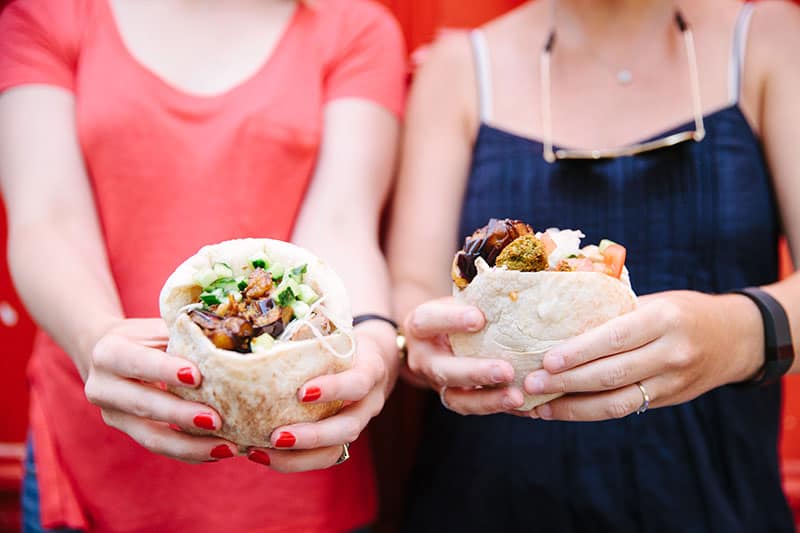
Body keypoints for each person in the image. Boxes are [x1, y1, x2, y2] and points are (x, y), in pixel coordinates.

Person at [388, 0, 800, 531]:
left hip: (719, 499)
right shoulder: (456, 70)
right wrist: (423, 341)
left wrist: (732, 335)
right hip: (488, 499)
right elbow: (412, 289)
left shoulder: (772, 40)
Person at [0, 0, 406, 531]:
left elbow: (341, 224)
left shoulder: (357, 29)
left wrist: (374, 341)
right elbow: (45, 218)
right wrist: (95, 338)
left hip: (294, 482)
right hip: (91, 463)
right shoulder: (47, 15)